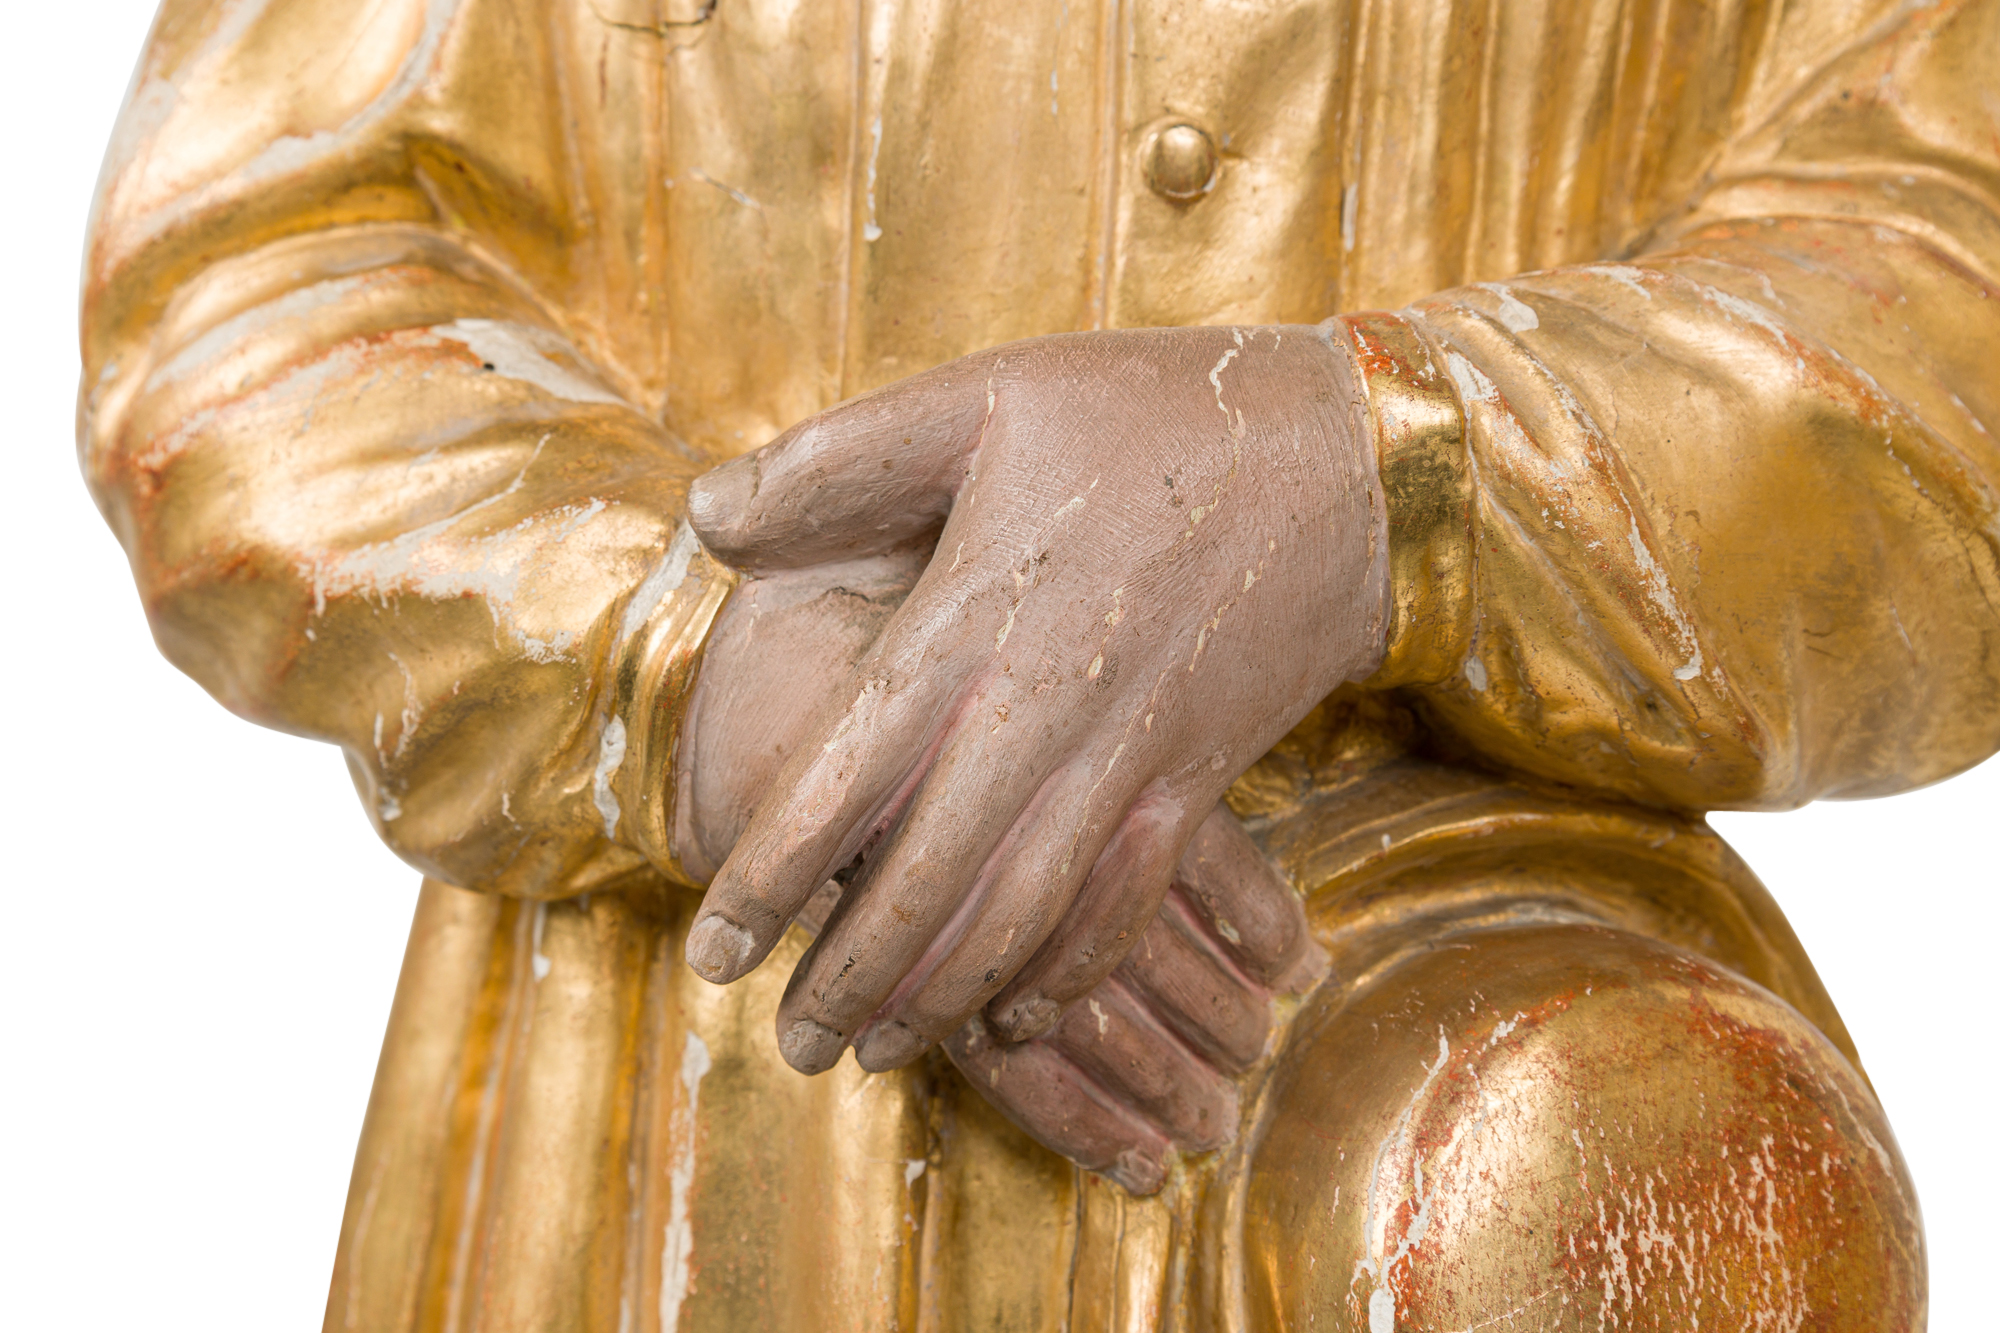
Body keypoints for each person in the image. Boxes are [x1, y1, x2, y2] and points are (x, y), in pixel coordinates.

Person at [81, 0, 1995, 1327]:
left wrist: (1392, 466)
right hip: (706, 1144)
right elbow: (260, 282)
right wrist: (698, 658)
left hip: (1494, 1096)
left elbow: (1944, 284)